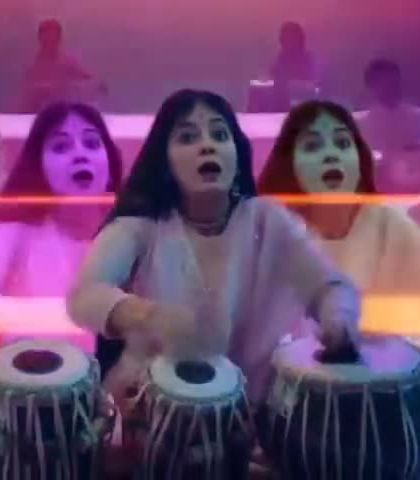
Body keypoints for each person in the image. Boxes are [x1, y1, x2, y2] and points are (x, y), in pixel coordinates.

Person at [66, 89, 360, 408]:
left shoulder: (268, 220)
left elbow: (329, 286)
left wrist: (337, 320)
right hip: (154, 410)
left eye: (220, 135)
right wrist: (146, 316)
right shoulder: (141, 227)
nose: (208, 145)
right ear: (164, 161)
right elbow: (85, 294)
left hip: (260, 409)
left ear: (237, 152)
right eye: (188, 137)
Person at [258, 100, 420, 333]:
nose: (331, 155)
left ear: (360, 159)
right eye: (312, 146)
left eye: (342, 143)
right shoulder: (271, 234)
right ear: (289, 164)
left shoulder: (393, 227)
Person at [0, 102, 123, 296]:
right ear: (39, 169)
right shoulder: (13, 237)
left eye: (91, 144)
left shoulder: (140, 236)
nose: (80, 155)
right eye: (61, 147)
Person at [19, 19, 106, 113]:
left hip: (61, 111)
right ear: (40, 38)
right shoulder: (30, 63)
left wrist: (98, 84)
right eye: (47, 38)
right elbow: (24, 91)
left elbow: (86, 77)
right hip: (35, 112)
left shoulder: (68, 61)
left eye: (54, 38)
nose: (51, 41)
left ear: (59, 39)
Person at [357, 59, 420, 155]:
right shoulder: (360, 125)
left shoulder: (417, 118)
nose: (390, 89)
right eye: (384, 84)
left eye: (394, 83)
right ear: (370, 87)